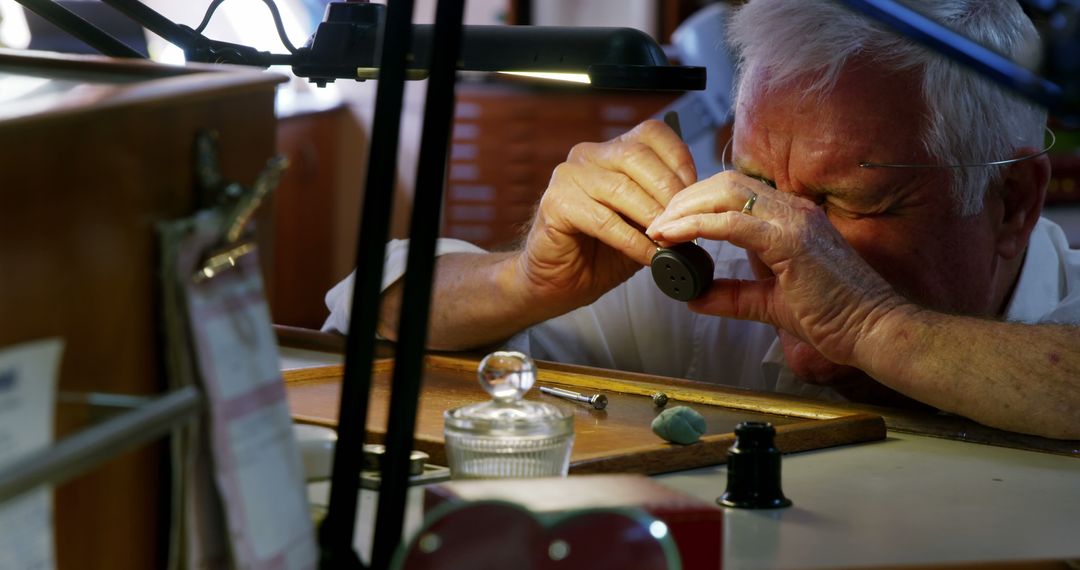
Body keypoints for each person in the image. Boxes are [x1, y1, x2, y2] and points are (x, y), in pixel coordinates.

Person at [324, 0, 1080, 440]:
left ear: (1011, 200)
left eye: (848, 201)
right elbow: (367, 309)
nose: (784, 239)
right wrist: (521, 282)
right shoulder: (710, 285)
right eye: (756, 181)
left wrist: (872, 326)